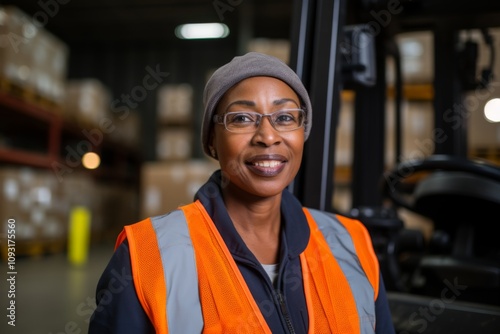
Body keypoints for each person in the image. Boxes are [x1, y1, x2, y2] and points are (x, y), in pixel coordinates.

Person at [88, 52, 395, 334]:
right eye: (242, 119)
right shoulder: (146, 256)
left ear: (303, 132)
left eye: (285, 117)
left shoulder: (353, 244)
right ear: (211, 140)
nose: (268, 136)